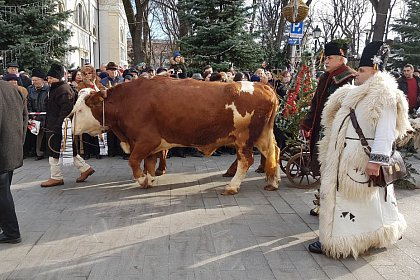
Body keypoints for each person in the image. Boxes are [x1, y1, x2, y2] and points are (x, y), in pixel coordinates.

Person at [308, 41, 410, 259]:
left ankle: (341, 241)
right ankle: (384, 230)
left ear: (374, 70)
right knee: (373, 200)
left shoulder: (384, 94)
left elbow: (386, 131)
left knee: (354, 200)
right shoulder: (358, 92)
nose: (357, 74)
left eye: (361, 70)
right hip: (349, 157)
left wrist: (376, 161)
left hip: (362, 160)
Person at [300, 41, 356, 216]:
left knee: (334, 169)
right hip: (322, 131)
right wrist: (308, 123)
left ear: (341, 59)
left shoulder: (350, 78)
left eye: (329, 58)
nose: (326, 61)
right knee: (324, 167)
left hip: (339, 133)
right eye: (325, 57)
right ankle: (322, 201)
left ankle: (332, 205)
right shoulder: (326, 77)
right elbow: (315, 104)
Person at [40, 63, 95, 187]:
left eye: (51, 78)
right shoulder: (57, 89)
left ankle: (56, 177)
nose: (49, 80)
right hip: (56, 125)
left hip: (59, 126)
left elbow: (66, 111)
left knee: (53, 151)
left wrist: (58, 127)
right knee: (69, 150)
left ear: (58, 77)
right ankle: (85, 168)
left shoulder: (63, 90)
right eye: (48, 78)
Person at [0, 80, 28, 244]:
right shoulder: (12, 89)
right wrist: (19, 142)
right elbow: (24, 119)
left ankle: (11, 232)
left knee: (2, 193)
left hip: (3, 151)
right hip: (11, 148)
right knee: (3, 191)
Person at [27, 68, 49, 160]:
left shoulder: (48, 89)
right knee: (36, 135)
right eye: (33, 80)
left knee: (46, 134)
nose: (34, 82)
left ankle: (48, 152)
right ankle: (38, 153)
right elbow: (28, 103)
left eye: (36, 80)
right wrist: (32, 115)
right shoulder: (30, 89)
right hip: (34, 115)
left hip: (46, 115)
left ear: (42, 80)